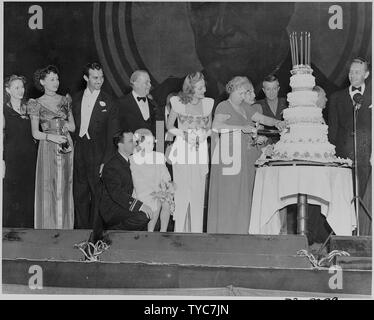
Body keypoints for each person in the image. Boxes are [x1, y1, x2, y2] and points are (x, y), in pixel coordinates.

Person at [151, 2, 337, 108]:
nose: (219, 28)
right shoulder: (168, 94)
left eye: (240, 6)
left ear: (285, 8)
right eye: (204, 6)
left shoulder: (326, 99)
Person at [207, 76, 284, 234]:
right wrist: (240, 127)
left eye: (246, 93)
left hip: (245, 155)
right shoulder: (223, 105)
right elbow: (216, 126)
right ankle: (226, 232)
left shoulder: (245, 107)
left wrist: (277, 123)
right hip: (229, 157)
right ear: (233, 89)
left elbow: (261, 118)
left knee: (244, 194)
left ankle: (242, 231)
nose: (243, 96)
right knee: (230, 194)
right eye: (241, 93)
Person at [72, 62, 119, 229]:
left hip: (99, 152)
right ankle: (79, 231)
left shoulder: (110, 101)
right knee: (79, 193)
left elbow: (113, 134)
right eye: (95, 77)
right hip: (80, 150)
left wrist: (106, 161)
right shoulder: (75, 99)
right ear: (86, 78)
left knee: (97, 194)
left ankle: (95, 234)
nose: (99, 81)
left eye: (101, 77)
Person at [27, 65, 75, 229]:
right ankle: (48, 228)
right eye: (52, 79)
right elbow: (35, 133)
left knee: (65, 186)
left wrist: (64, 125)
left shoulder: (65, 100)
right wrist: (52, 136)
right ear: (42, 82)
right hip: (48, 146)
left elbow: (73, 127)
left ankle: (65, 228)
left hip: (66, 146)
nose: (56, 82)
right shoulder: (35, 103)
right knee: (49, 187)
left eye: (57, 79)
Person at [328, 57, 372, 235]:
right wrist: (332, 157)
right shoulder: (336, 97)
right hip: (343, 156)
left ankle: (364, 236)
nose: (353, 75)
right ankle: (344, 235)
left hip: (367, 156)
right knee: (344, 198)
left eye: (358, 72)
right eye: (351, 71)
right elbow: (333, 129)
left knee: (365, 196)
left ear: (366, 74)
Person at [166, 72, 214, 233]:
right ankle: (179, 232)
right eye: (200, 87)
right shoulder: (178, 103)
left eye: (204, 86)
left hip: (199, 151)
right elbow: (169, 126)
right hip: (182, 150)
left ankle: (197, 234)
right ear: (190, 88)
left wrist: (202, 136)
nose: (204, 89)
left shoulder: (208, 104)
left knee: (198, 193)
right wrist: (184, 134)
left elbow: (209, 129)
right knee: (181, 192)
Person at [92, 130, 153, 241]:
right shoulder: (112, 165)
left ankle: (131, 244)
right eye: (130, 141)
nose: (135, 144)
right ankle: (109, 234)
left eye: (135, 141)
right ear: (120, 145)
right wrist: (140, 205)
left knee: (146, 214)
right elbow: (117, 194)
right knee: (142, 217)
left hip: (123, 205)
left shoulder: (127, 161)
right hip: (112, 210)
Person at [3, 75, 37, 228]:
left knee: (29, 193)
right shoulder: (3, 110)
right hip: (12, 157)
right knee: (12, 193)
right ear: (8, 90)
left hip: (30, 157)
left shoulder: (30, 107)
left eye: (22, 87)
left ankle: (28, 229)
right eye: (16, 87)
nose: (20, 90)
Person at [130, 129, 173, 232]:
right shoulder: (133, 160)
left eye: (153, 143)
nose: (152, 145)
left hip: (158, 190)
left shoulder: (158, 157)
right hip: (143, 193)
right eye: (149, 143)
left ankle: (163, 231)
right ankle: (150, 232)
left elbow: (165, 175)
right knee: (156, 203)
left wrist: (167, 187)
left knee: (166, 201)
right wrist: (154, 193)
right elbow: (138, 182)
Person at [118, 70, 162, 137]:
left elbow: (160, 128)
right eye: (146, 83)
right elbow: (117, 131)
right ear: (135, 83)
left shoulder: (154, 104)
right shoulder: (121, 104)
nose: (150, 85)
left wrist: (160, 147)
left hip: (153, 147)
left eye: (150, 82)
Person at [255, 75, 288, 143]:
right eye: (268, 89)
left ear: (278, 89)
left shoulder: (288, 103)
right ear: (263, 90)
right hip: (266, 146)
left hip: (287, 143)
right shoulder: (257, 105)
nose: (271, 92)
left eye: (274, 89)